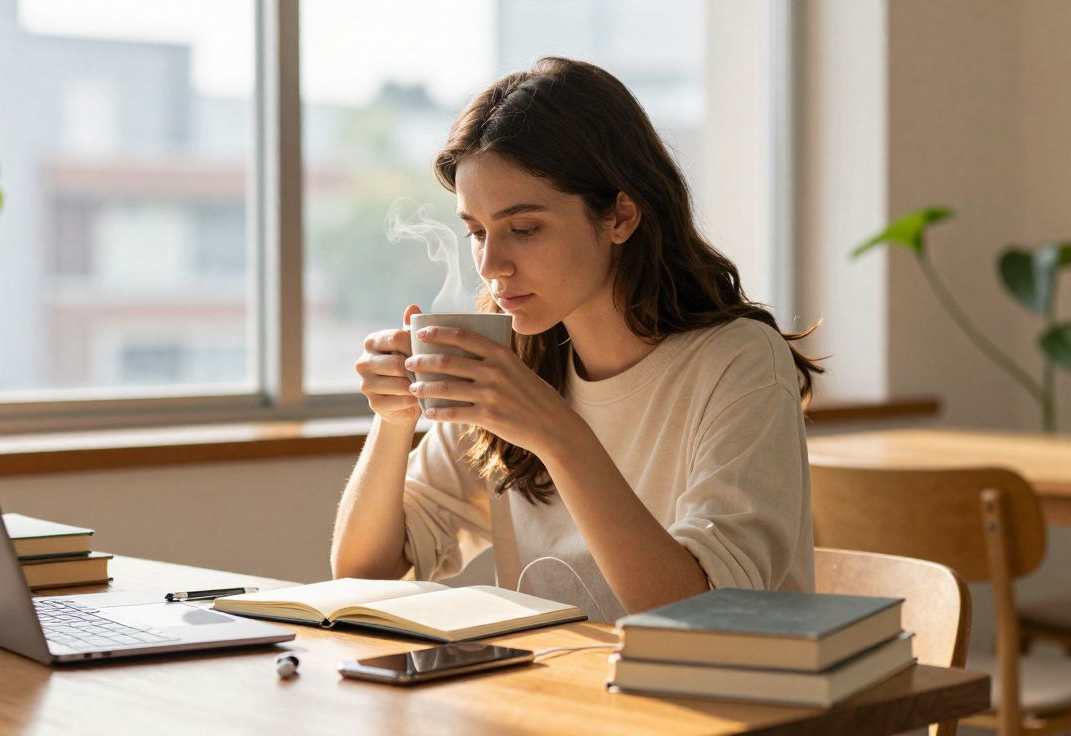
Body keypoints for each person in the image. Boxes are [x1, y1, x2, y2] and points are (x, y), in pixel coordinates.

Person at [330, 57, 821, 622]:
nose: (492, 265)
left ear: (621, 216)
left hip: (726, 701)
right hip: (559, 700)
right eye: (476, 232)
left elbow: (698, 617)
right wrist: (393, 421)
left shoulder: (739, 364)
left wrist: (559, 436)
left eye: (524, 229)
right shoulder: (510, 361)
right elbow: (361, 577)